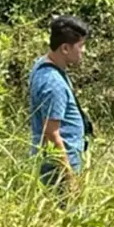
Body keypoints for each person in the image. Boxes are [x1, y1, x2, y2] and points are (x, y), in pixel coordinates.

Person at [29, 15, 93, 196]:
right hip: (58, 167)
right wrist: (69, 177)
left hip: (55, 161)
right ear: (65, 48)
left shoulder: (43, 64)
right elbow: (51, 132)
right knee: (65, 214)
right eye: (80, 46)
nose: (84, 50)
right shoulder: (53, 82)